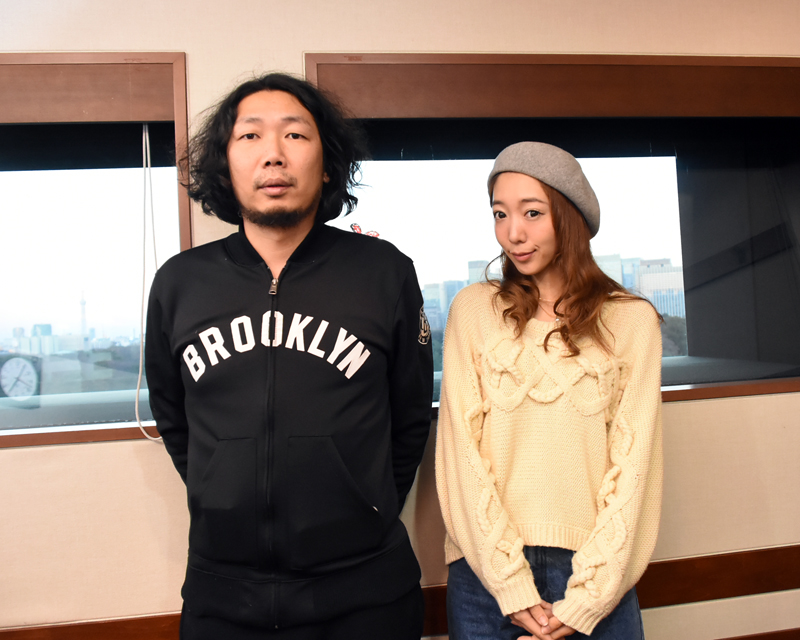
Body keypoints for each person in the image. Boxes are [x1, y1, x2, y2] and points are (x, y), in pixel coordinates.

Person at [145, 73, 433, 640]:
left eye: (295, 135)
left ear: (326, 164)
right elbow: (174, 419)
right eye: (250, 136)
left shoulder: (384, 273)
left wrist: (367, 507)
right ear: (225, 164)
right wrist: (219, 491)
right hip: (223, 598)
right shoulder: (179, 283)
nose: (273, 154)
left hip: (366, 594)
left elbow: (409, 417)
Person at [435, 142, 663, 640]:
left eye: (532, 213)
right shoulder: (473, 311)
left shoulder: (631, 320)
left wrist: (589, 597)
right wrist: (508, 582)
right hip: (484, 575)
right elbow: (460, 457)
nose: (512, 232)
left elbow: (636, 469)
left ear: (570, 217)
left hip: (597, 569)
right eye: (500, 214)